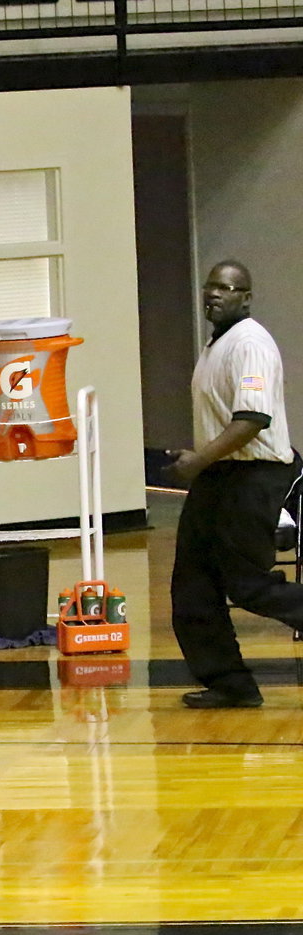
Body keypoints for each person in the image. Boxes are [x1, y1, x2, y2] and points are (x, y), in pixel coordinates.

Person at [168, 259, 303, 709]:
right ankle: (230, 684)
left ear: (245, 297)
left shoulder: (251, 344)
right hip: (219, 476)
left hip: (253, 476)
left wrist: (198, 460)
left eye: (227, 288)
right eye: (211, 286)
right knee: (193, 587)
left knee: (248, 585)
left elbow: (252, 419)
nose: (215, 294)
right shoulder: (216, 344)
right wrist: (200, 462)